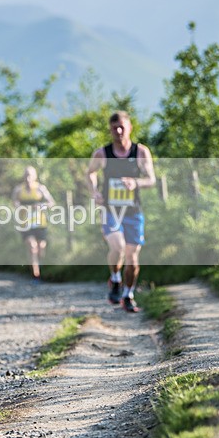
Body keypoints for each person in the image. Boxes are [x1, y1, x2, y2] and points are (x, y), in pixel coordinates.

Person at [86, 111, 156, 312]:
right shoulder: (102, 153)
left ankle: (128, 295)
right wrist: (95, 192)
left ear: (130, 128)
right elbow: (90, 172)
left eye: (122, 127)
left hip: (133, 211)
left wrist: (136, 182)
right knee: (117, 247)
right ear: (110, 130)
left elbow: (151, 179)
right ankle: (115, 278)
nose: (118, 131)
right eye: (114, 128)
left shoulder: (141, 152)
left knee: (132, 258)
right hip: (111, 210)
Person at [11, 166, 55, 283]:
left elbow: (51, 202)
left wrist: (41, 206)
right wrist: (18, 206)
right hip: (26, 223)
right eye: (26, 175)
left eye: (30, 175)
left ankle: (40, 267)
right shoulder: (18, 190)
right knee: (32, 246)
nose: (28, 177)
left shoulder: (41, 188)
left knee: (41, 249)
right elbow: (14, 202)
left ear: (35, 176)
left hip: (40, 223)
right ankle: (36, 275)